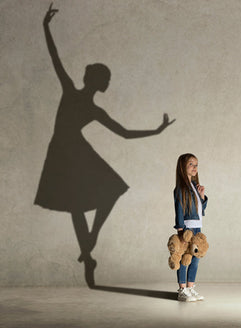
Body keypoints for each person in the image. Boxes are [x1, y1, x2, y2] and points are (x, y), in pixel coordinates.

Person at [34, 3, 175, 288]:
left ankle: (90, 243)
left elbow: (123, 133)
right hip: (65, 153)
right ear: (95, 79)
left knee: (110, 190)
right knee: (76, 204)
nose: (108, 81)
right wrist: (46, 27)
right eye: (106, 78)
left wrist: (157, 131)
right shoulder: (71, 92)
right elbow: (55, 58)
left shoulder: (93, 109)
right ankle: (88, 254)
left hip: (75, 152)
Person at [173, 153, 208, 302]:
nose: (195, 167)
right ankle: (182, 290)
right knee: (184, 258)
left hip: (197, 227)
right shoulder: (180, 188)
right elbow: (179, 209)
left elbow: (200, 210)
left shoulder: (194, 186)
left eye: (196, 165)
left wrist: (202, 197)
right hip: (187, 228)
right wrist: (181, 231)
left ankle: (190, 287)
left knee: (196, 259)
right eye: (191, 164)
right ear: (183, 167)